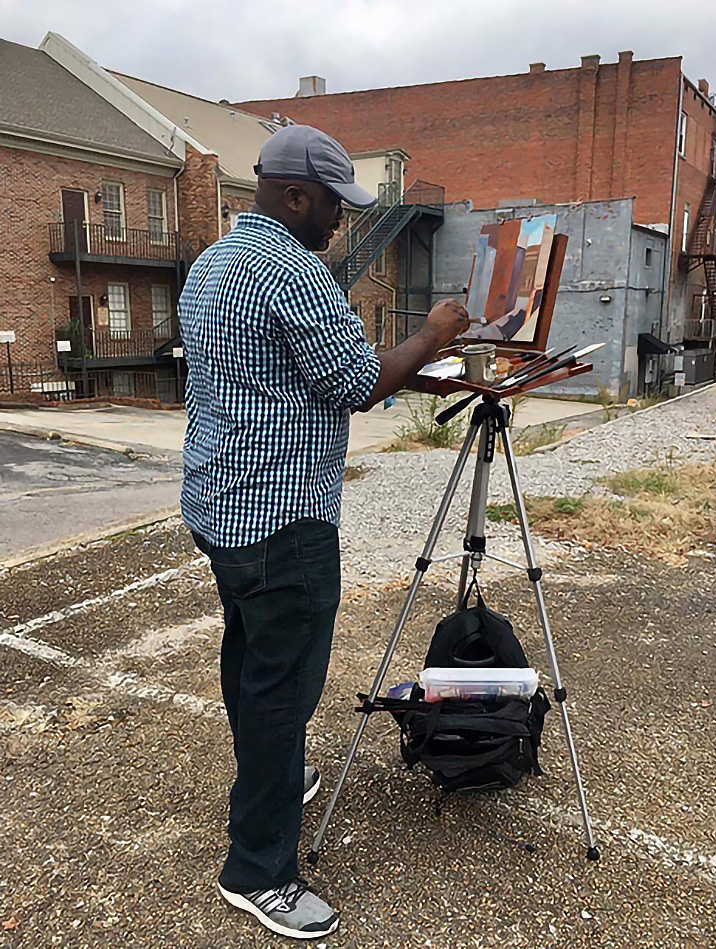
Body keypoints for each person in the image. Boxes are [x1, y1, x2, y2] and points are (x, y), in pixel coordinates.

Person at [178, 124, 469, 940]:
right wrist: (434, 334)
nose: (340, 220)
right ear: (294, 196)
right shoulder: (295, 272)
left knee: (250, 658)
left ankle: (269, 778)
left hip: (218, 506)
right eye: (333, 205)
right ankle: (259, 869)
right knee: (283, 686)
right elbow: (353, 382)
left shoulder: (214, 260)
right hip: (281, 519)